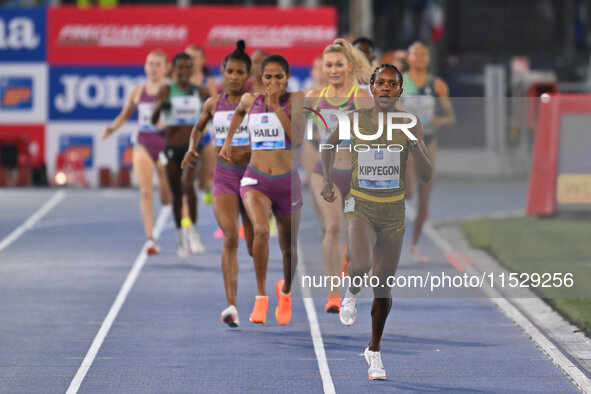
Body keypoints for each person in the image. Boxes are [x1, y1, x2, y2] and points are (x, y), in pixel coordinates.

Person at [321, 64, 432, 380]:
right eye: (380, 83)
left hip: (393, 211)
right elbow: (328, 144)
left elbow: (425, 173)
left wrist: (414, 143)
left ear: (399, 90)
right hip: (361, 206)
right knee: (360, 265)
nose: (385, 88)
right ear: (372, 89)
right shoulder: (354, 120)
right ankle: (351, 293)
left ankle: (374, 350)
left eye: (392, 84)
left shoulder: (410, 123)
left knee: (383, 289)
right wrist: (328, 179)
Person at [219, 54, 304, 326]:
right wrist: (228, 142)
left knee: (288, 248)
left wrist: (277, 106)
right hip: (256, 180)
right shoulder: (249, 100)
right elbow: (239, 115)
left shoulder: (295, 99)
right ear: (260, 77)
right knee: (261, 230)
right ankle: (261, 295)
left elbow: (298, 139)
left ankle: (286, 292)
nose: (274, 81)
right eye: (269, 77)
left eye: (279, 77)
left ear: (287, 78)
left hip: (287, 183)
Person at [182, 41, 254, 328]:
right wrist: (191, 147)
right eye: (230, 71)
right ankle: (231, 305)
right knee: (230, 238)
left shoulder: (253, 103)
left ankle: (264, 287)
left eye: (240, 72)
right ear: (223, 73)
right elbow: (198, 127)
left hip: (251, 177)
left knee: (254, 241)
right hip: (223, 176)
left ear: (247, 75)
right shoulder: (213, 103)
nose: (234, 76)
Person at [306, 38, 372, 313]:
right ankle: (334, 292)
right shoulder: (314, 98)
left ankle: (348, 259)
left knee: (359, 241)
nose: (333, 70)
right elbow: (305, 136)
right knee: (333, 227)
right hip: (326, 174)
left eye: (339, 64)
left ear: (349, 66)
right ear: (322, 68)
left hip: (357, 174)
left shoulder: (361, 96)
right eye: (329, 65)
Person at [102, 50, 172, 255]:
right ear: (145, 67)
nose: (154, 68)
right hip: (143, 142)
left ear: (166, 68)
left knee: (167, 198)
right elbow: (124, 115)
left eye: (158, 64)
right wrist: (111, 129)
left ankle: (162, 176)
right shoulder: (138, 91)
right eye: (150, 63)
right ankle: (150, 239)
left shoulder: (172, 90)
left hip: (165, 143)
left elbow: (183, 118)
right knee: (145, 192)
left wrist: (168, 123)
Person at [151, 52, 209, 258]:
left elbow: (212, 117)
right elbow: (154, 119)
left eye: (187, 67)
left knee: (187, 186)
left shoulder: (201, 92)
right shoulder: (167, 90)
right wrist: (161, 102)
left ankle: (192, 231)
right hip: (171, 149)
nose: (184, 71)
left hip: (193, 148)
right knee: (177, 195)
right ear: (173, 70)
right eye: (180, 67)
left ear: (192, 70)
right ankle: (180, 236)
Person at [402, 41, 455, 262]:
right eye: (416, 54)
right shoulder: (399, 81)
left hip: (427, 140)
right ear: (409, 58)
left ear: (429, 59)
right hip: (404, 140)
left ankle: (414, 244)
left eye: (425, 54)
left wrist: (438, 120)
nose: (421, 57)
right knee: (409, 193)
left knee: (424, 200)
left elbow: (451, 117)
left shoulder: (438, 85)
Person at [185, 44, 216, 206]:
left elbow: (215, 108)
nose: (191, 61)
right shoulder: (177, 81)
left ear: (202, 61)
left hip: (202, 132)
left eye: (195, 57)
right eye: (188, 57)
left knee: (203, 179)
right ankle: (185, 217)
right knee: (186, 179)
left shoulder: (207, 81)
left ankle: (206, 186)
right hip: (182, 133)